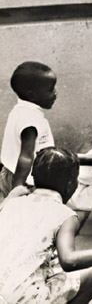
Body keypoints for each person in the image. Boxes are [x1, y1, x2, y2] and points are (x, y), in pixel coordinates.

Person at [0, 147, 92, 304]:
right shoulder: (64, 215)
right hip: (19, 298)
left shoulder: (12, 202)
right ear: (71, 184)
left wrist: (10, 198)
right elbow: (69, 261)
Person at [0, 61, 57, 201]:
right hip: (20, 178)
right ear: (32, 96)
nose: (55, 92)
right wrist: (17, 188)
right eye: (50, 89)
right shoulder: (29, 119)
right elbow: (26, 157)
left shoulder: (21, 110)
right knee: (18, 211)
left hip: (11, 172)